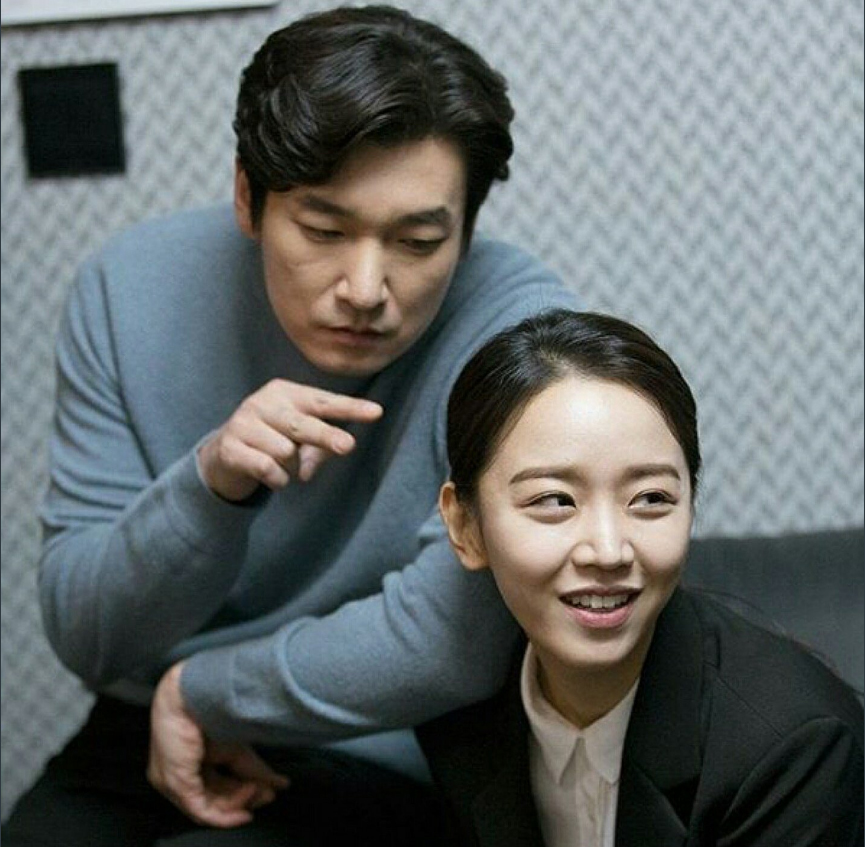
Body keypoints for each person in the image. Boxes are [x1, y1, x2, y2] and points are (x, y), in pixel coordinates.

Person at [1, 6, 579, 846]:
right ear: (248, 197)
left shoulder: (519, 332)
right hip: (148, 721)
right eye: (323, 229)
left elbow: (449, 646)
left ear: (465, 232)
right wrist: (211, 486)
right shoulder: (125, 290)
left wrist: (202, 690)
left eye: (418, 241)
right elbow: (89, 637)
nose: (365, 288)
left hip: (390, 734)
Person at [419, 309, 864, 846]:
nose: (609, 551)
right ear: (464, 526)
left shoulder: (792, 749)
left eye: (650, 498)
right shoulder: (456, 711)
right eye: (555, 501)